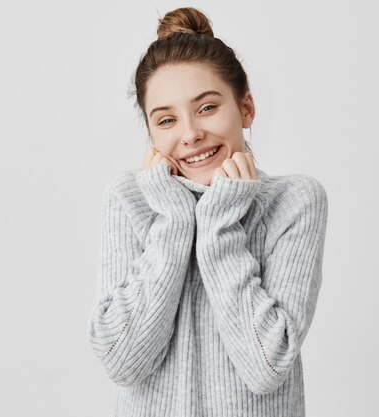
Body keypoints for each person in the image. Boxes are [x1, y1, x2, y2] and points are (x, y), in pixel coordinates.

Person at [87, 7, 328, 417]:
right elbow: (122, 362)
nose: (190, 133)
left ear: (246, 108)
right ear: (151, 133)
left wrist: (218, 225)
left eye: (206, 107)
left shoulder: (295, 200)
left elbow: (266, 367)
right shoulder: (129, 197)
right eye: (166, 120)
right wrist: (175, 221)